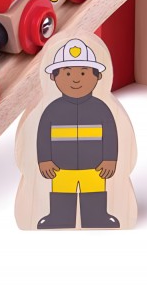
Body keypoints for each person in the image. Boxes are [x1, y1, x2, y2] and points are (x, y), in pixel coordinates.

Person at [36, 38, 119, 229]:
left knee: (94, 193)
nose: (75, 79)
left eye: (83, 72)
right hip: (61, 168)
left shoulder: (102, 109)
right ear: (53, 77)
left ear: (97, 76)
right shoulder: (51, 110)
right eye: (67, 73)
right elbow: (42, 137)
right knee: (62, 193)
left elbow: (111, 135)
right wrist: (45, 160)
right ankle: (58, 217)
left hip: (95, 167)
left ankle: (98, 217)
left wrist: (109, 159)